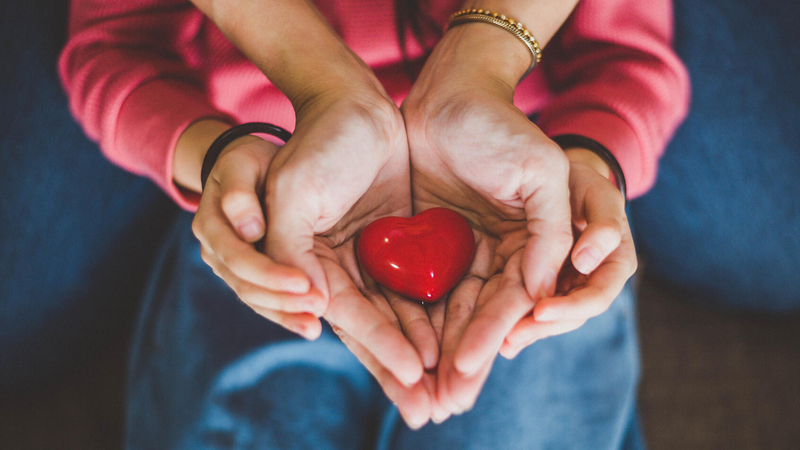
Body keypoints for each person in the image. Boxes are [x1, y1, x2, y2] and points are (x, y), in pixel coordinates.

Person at [59, 0, 688, 448]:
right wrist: (224, 155)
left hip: (523, 219)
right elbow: (112, 49)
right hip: (278, 217)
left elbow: (628, 60)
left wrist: (583, 164)